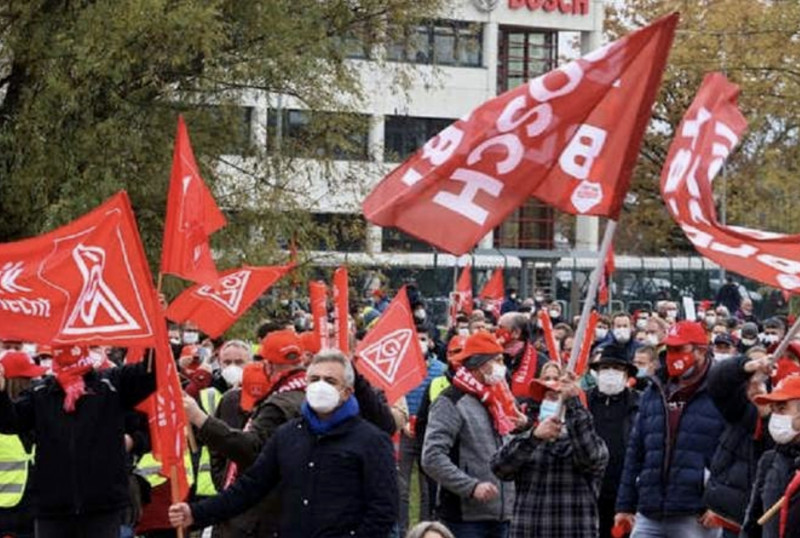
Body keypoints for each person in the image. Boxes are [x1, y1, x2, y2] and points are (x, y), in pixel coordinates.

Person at [168, 350, 398, 537]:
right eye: (314, 379)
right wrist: (196, 514)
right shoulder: (288, 435)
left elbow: (383, 511)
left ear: (347, 392)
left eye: (329, 380)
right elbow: (249, 487)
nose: (320, 385)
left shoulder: (371, 441)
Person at [0, 345, 155, 538]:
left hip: (102, 508)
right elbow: (10, 422)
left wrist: (154, 330)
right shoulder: (41, 392)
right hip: (53, 510)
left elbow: (152, 371)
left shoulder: (111, 383)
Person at [615, 321, 726, 538]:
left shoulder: (720, 392)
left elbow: (732, 454)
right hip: (649, 510)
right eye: (669, 349)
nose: (672, 356)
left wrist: (720, 503)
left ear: (701, 351)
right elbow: (636, 450)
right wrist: (624, 505)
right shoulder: (654, 390)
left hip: (696, 514)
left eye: (679, 349)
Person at [491, 366, 608, 538]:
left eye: (557, 398)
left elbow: (590, 457)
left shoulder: (589, 441)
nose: (549, 403)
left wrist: (573, 403)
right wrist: (533, 438)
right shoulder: (527, 438)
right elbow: (500, 468)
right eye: (547, 398)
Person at [704, 346, 773, 537]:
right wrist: (746, 366)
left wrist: (768, 415)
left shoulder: (784, 420)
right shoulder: (740, 408)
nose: (758, 377)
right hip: (731, 517)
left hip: (768, 520)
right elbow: (717, 381)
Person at [586, 344, 639, 538]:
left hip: (624, 491)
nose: (610, 373)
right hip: (588, 489)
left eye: (616, 369)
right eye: (605, 368)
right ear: (597, 372)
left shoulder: (638, 403)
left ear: (626, 374)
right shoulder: (584, 401)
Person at [740, 375, 800, 538]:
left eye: (782, 409)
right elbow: (752, 521)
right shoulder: (770, 460)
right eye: (773, 410)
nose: (776, 417)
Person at [398, 330, 446, 533]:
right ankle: (402, 530)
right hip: (405, 433)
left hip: (428, 434)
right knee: (402, 486)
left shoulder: (441, 370)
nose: (420, 343)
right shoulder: (400, 369)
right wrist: (402, 423)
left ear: (432, 343)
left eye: (423, 339)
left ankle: (427, 529)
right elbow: (395, 396)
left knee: (429, 486)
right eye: (415, 339)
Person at [0, 351, 47, 538]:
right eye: (30, 379)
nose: (36, 383)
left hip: (35, 513)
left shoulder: (36, 415)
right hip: (7, 516)